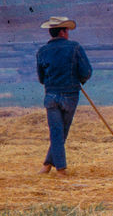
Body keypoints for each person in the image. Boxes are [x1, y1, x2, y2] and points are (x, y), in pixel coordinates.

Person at [35, 16, 93, 175]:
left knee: (56, 131)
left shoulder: (42, 51)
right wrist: (79, 80)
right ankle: (61, 169)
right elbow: (87, 72)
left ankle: (47, 165)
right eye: (67, 30)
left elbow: (41, 78)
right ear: (62, 32)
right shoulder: (75, 47)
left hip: (51, 96)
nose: (68, 33)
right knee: (61, 132)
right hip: (70, 95)